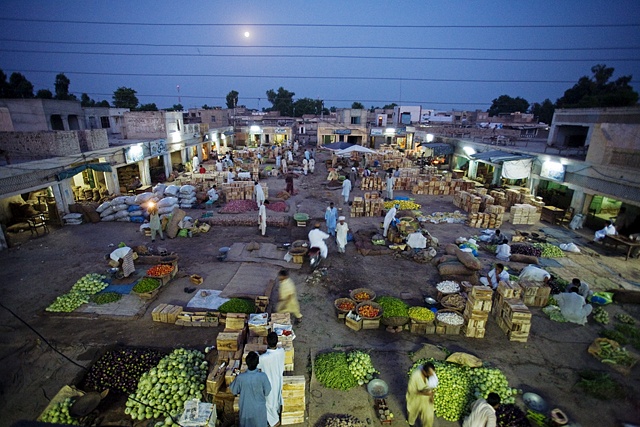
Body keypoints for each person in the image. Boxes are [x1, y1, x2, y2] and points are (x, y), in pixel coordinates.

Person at [230, 351, 271, 427]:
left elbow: (233, 390)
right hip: (259, 411)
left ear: (246, 363)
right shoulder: (263, 376)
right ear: (258, 363)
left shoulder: (240, 378)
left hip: (246, 411)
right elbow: (267, 391)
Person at [258, 332, 285, 427]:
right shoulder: (281, 351)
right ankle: (276, 414)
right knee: (276, 400)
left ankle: (275, 422)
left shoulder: (263, 358)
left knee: (269, 404)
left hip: (269, 383)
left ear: (266, 341)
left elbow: (257, 365)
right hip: (278, 380)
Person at [406, 362, 438, 427]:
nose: (431, 376)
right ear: (424, 371)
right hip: (415, 397)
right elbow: (412, 390)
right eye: (429, 374)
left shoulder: (432, 375)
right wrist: (424, 393)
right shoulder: (415, 375)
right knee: (413, 412)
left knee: (429, 416)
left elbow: (432, 388)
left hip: (426, 399)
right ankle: (411, 423)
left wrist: (431, 397)